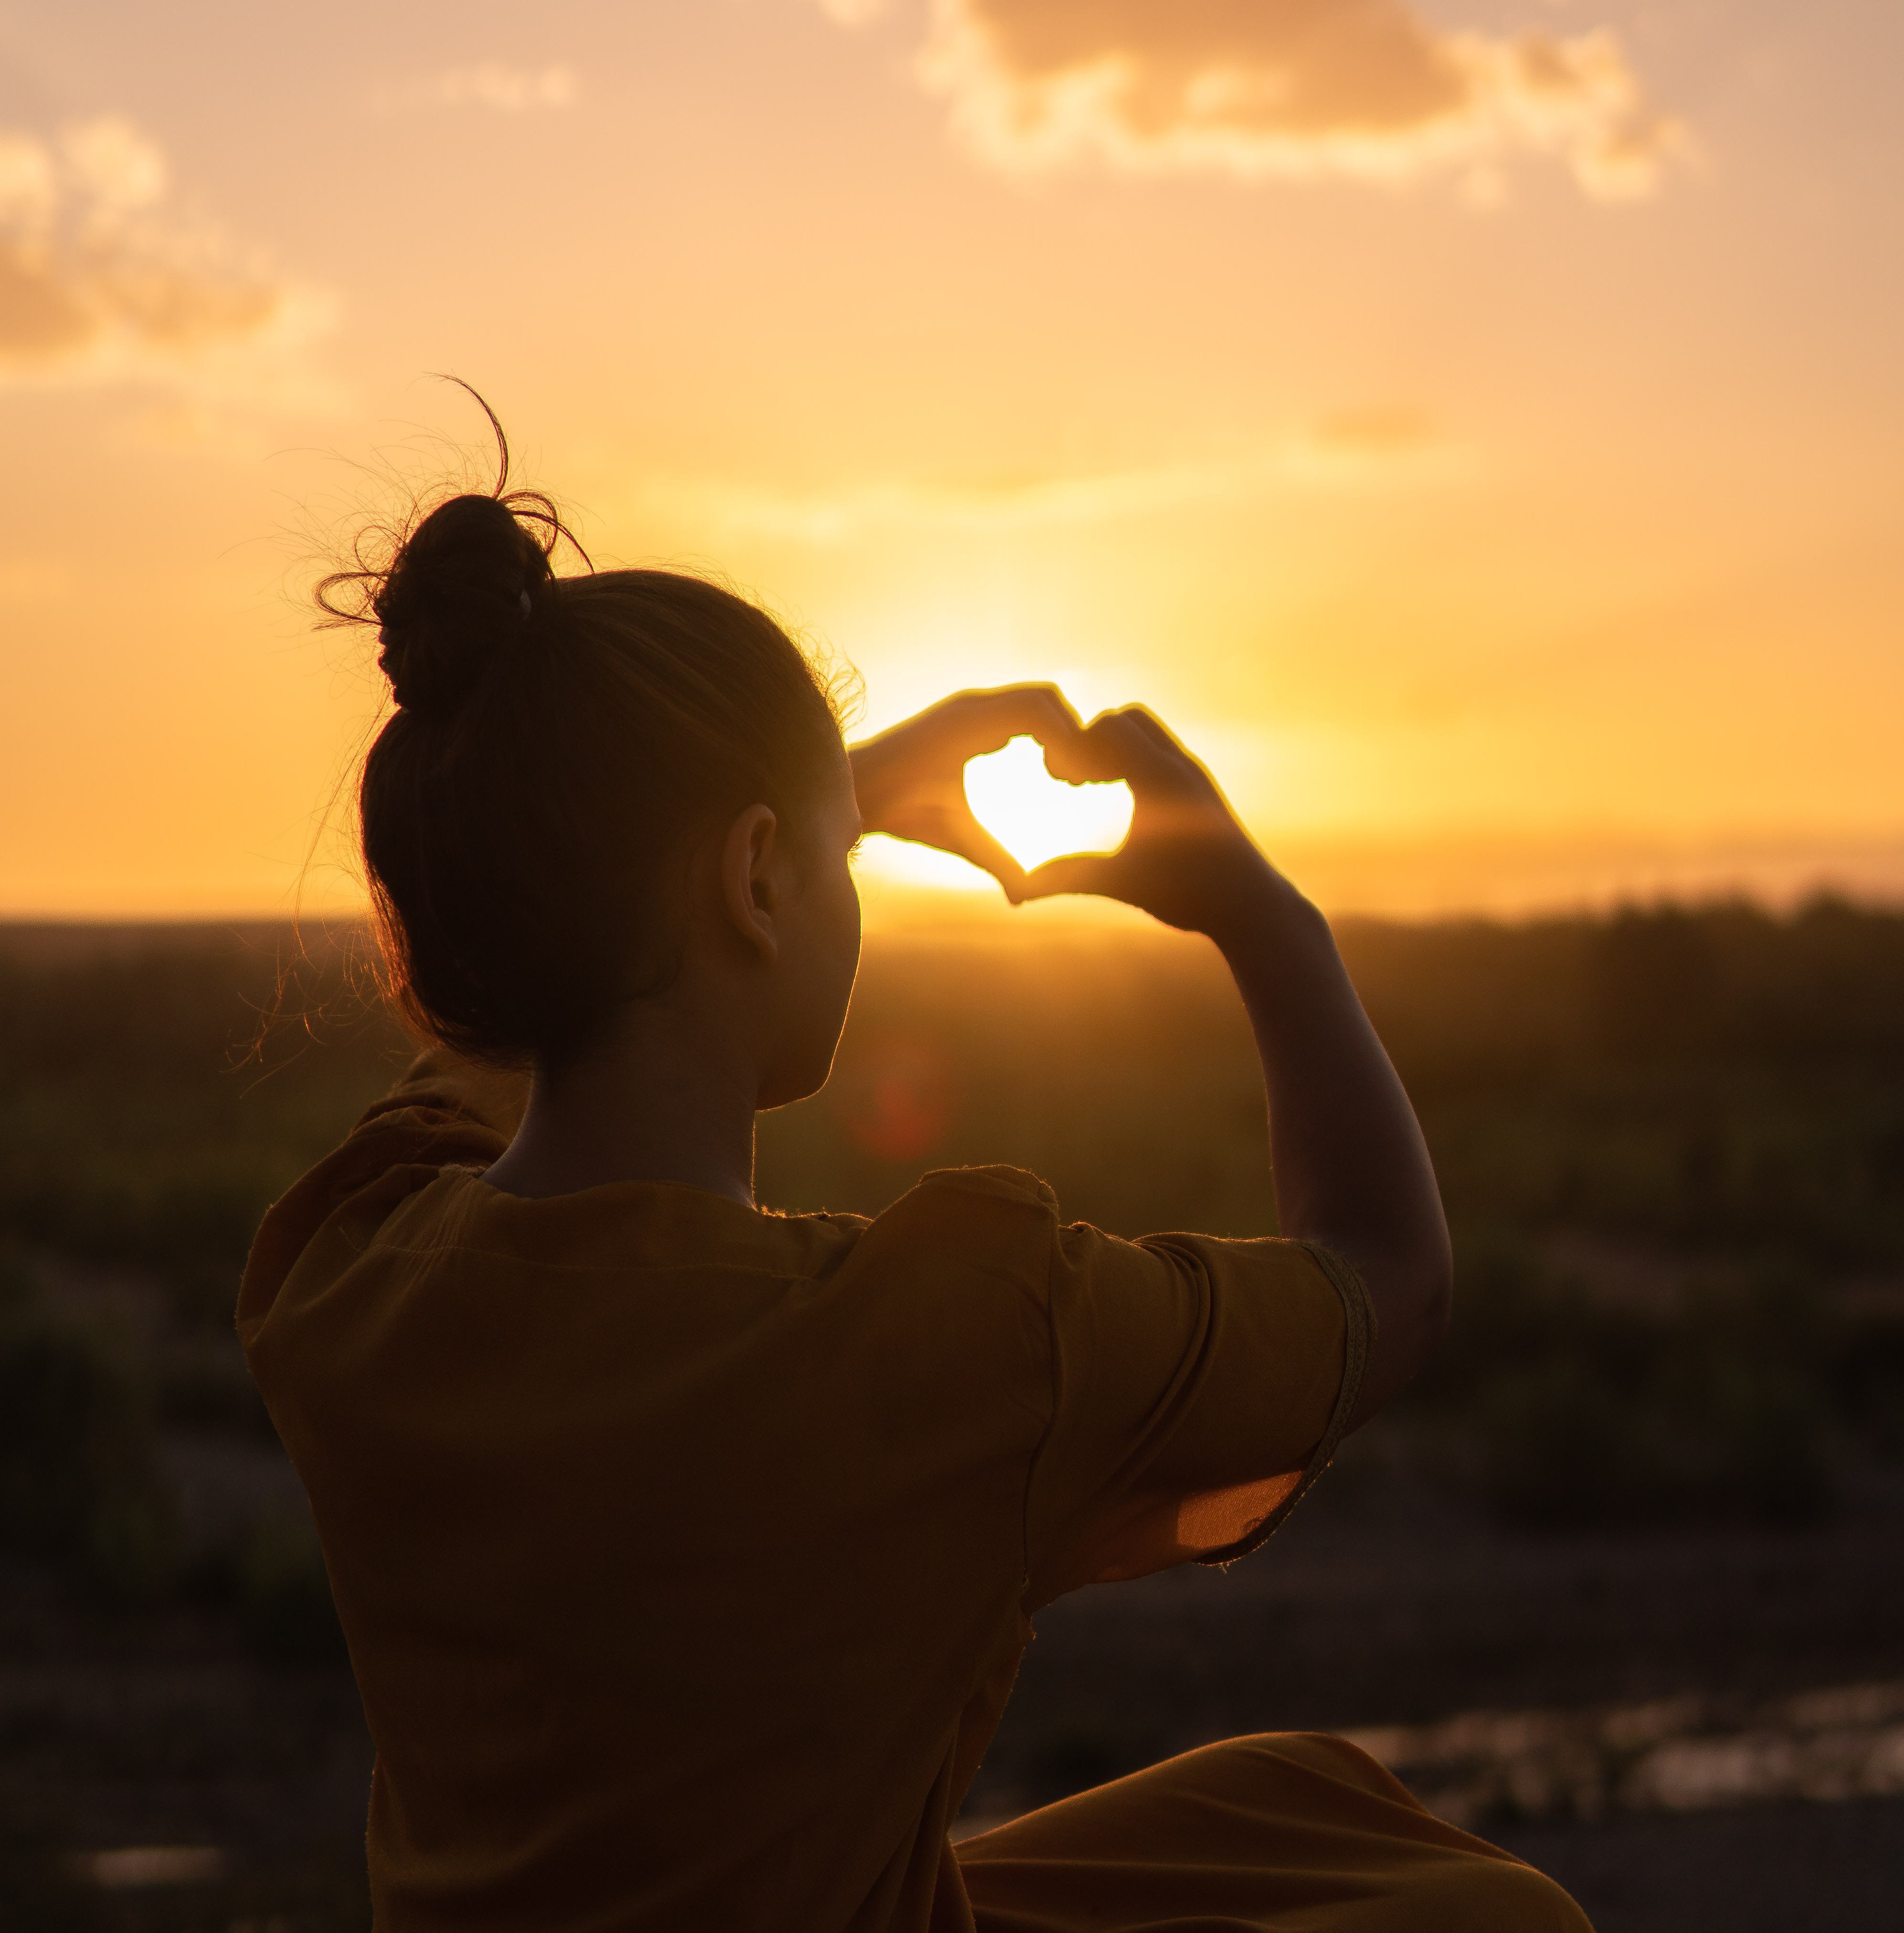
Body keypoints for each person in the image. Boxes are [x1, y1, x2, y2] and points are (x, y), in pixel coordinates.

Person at [241, 425, 1590, 1932]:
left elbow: (505, 1039)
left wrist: (809, 801)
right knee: (1499, 1920)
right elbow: (1391, 1285)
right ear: (758, 880)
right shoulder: (945, 1340)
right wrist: (1269, 921)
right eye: (842, 853)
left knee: (1301, 1804)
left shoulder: (351, 1271)